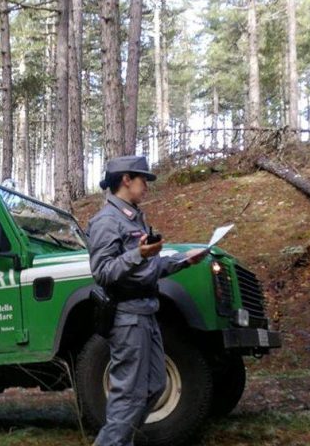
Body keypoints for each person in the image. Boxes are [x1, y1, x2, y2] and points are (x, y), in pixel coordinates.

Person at [86, 155, 207, 446]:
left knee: (155, 385)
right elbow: (102, 272)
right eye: (143, 180)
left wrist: (183, 261)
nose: (147, 187)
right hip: (127, 317)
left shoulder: (133, 216)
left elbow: (148, 269)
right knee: (128, 394)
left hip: (146, 313)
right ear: (126, 180)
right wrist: (138, 254)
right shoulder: (106, 221)